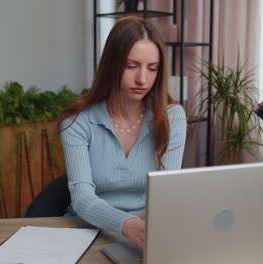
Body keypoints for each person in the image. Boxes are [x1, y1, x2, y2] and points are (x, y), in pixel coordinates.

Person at [57, 16, 187, 248]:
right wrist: (126, 224)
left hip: (148, 232)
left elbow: (168, 193)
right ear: (111, 64)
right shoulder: (76, 120)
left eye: (152, 68)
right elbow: (82, 198)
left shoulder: (172, 117)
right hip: (89, 231)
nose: (142, 79)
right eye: (131, 66)